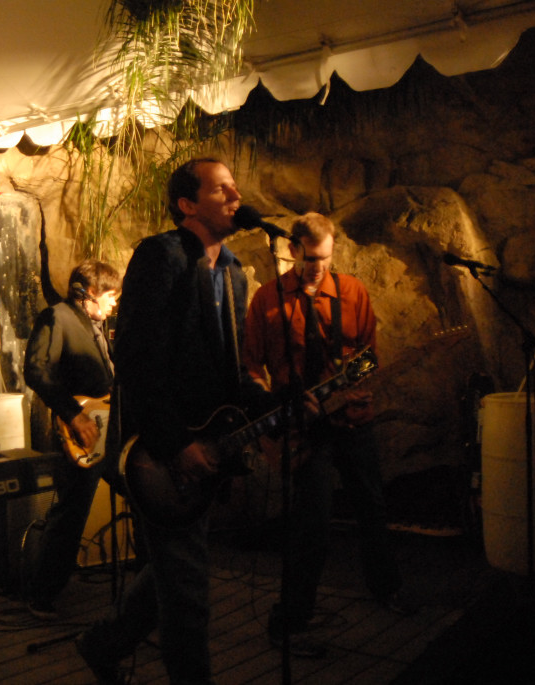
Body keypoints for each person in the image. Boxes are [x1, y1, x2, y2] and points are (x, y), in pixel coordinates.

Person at [74, 158, 268, 685]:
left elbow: (229, 371)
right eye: (221, 189)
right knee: (187, 589)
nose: (235, 196)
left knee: (175, 569)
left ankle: (102, 644)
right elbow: (137, 361)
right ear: (187, 205)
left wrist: (273, 402)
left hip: (203, 446)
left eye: (234, 187)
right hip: (159, 451)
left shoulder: (232, 272)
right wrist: (177, 442)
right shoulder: (161, 256)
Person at [243, 211, 413, 659]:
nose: (318, 267)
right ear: (292, 249)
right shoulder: (267, 299)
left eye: (325, 258)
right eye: (310, 258)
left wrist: (353, 381)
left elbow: (370, 355)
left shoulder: (352, 291)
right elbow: (250, 367)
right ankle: (292, 619)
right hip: (302, 426)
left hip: (352, 417)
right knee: (311, 524)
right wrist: (277, 405)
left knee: (372, 506)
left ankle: (386, 588)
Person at [22, 259, 121, 620]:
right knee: (71, 514)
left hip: (109, 429)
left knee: (145, 493)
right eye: (111, 296)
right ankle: (42, 594)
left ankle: (149, 582)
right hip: (82, 430)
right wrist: (73, 415)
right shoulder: (57, 317)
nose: (114, 303)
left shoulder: (98, 327)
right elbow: (35, 369)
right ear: (91, 292)